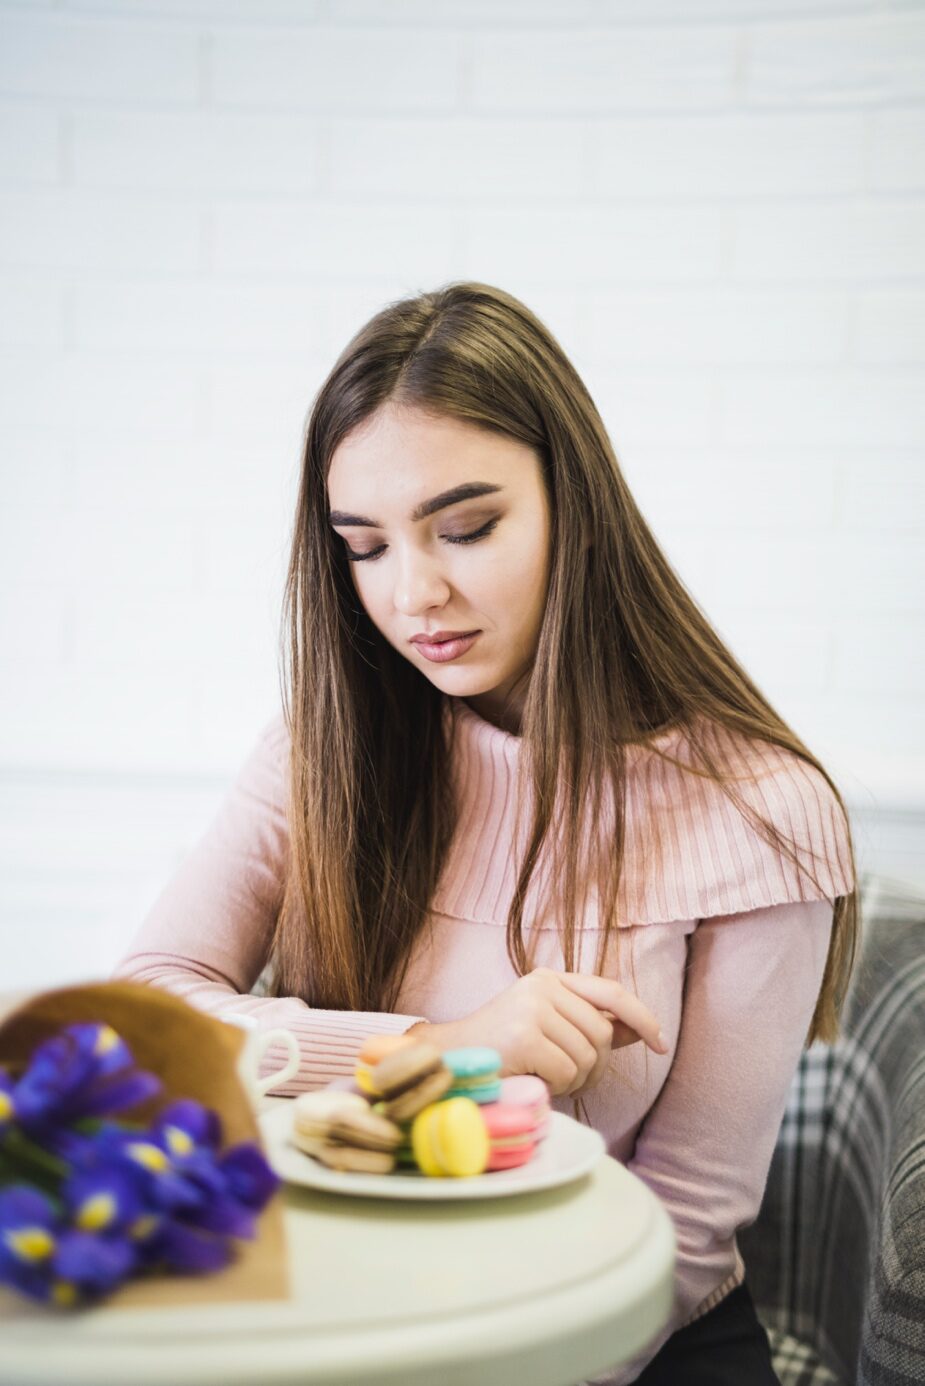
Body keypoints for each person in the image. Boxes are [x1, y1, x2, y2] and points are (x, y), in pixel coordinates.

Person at [111, 281, 858, 1384]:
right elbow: (144, 1025)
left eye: (466, 528)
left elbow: (687, 1229)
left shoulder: (761, 808)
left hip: (618, 1346)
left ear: (576, 504)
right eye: (363, 547)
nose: (414, 594)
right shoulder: (319, 751)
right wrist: (443, 1053)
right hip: (343, 1310)